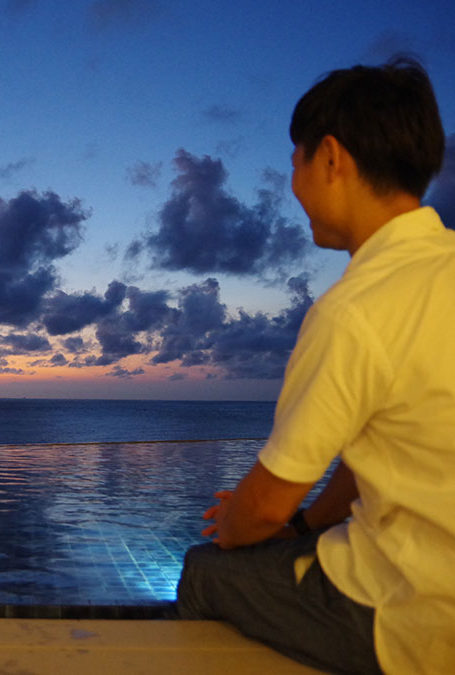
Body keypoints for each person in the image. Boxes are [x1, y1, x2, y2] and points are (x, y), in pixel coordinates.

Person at [173, 57, 455, 675]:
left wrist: (239, 529)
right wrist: (303, 525)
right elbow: (373, 457)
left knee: (203, 571)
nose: (293, 181)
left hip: (412, 616)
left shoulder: (356, 309)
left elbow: (265, 506)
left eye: (294, 161)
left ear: (330, 158)